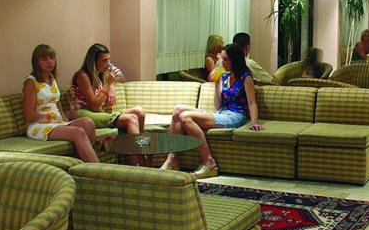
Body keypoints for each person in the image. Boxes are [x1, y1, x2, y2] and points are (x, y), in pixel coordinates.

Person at [161, 44, 265, 178]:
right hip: (222, 112)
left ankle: (209, 162)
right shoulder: (225, 76)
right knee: (178, 110)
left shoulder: (246, 77)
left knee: (186, 117)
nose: (222, 63)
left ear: (235, 60)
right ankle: (172, 159)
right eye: (222, 59)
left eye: (226, 60)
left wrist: (254, 121)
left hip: (236, 115)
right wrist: (217, 84)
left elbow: (252, 102)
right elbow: (218, 105)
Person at [23, 44, 99, 163]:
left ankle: (82, 162)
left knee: (87, 123)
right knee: (78, 132)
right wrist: (50, 118)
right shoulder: (31, 82)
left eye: (52, 58)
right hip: (39, 126)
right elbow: (29, 115)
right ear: (36, 62)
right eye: (44, 59)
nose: (50, 62)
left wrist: (65, 121)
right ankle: (96, 169)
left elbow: (58, 106)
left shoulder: (52, 78)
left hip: (56, 122)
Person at [71, 43, 145, 136]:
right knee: (131, 118)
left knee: (139, 112)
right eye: (105, 60)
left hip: (100, 112)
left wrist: (112, 86)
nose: (108, 63)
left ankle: (141, 141)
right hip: (85, 113)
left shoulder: (101, 74)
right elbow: (94, 106)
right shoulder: (82, 76)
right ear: (94, 61)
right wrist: (108, 84)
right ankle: (135, 145)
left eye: (109, 59)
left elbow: (122, 78)